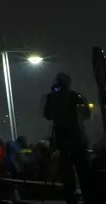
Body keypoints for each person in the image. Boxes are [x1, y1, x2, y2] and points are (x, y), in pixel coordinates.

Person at [43, 72, 97, 204]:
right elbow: (87, 113)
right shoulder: (72, 96)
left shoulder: (63, 96)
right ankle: (86, 197)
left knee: (71, 172)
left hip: (67, 138)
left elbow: (48, 115)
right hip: (73, 137)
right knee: (78, 171)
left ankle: (76, 198)